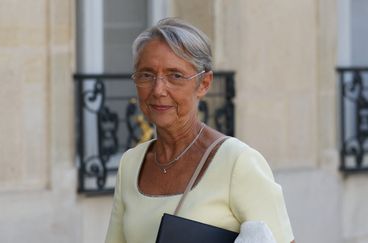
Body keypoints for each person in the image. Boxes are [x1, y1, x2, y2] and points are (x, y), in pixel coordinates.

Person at [105, 17, 295, 243]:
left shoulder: (237, 162)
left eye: (175, 75)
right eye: (147, 75)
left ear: (204, 83)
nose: (158, 89)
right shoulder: (131, 164)